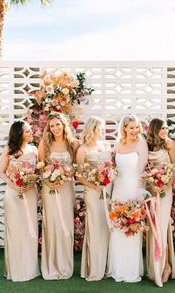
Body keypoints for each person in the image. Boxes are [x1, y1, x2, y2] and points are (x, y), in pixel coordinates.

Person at [107, 115, 148, 283]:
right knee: (117, 228)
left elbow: (142, 170)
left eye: (136, 127)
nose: (134, 130)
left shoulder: (141, 143)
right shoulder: (117, 145)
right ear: (124, 128)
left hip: (133, 190)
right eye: (131, 127)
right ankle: (118, 269)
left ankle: (131, 270)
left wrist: (139, 194)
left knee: (132, 227)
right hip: (118, 191)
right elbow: (112, 168)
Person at [38, 112, 79, 280]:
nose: (55, 128)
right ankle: (51, 265)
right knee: (52, 223)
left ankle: (65, 265)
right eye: (52, 125)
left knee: (65, 226)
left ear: (64, 125)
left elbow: (77, 167)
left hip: (66, 187)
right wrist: (48, 181)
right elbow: (40, 167)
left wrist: (66, 174)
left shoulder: (73, 144)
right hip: (50, 189)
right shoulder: (44, 143)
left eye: (58, 124)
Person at [0, 121, 40, 281]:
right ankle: (16, 270)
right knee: (16, 231)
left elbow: (37, 172)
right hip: (13, 194)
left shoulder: (34, 149)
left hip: (30, 193)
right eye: (28, 131)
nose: (31, 132)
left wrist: (29, 183)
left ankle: (29, 269)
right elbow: (1, 173)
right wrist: (15, 186)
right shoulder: (9, 150)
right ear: (19, 133)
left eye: (30, 130)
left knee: (30, 230)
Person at [76, 116, 111, 281]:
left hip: (107, 191)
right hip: (93, 191)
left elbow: (111, 167)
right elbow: (79, 176)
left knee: (107, 227)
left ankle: (106, 267)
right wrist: (94, 185)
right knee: (96, 227)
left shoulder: (105, 145)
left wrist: (108, 179)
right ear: (93, 129)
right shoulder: (82, 149)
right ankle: (94, 268)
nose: (102, 131)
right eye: (100, 128)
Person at [146, 118, 175, 287]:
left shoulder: (170, 144)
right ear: (154, 129)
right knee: (153, 226)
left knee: (162, 226)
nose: (166, 130)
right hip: (151, 190)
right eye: (162, 128)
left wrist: (165, 185)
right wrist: (152, 184)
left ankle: (165, 267)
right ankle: (154, 268)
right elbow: (144, 168)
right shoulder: (146, 144)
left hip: (165, 190)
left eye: (167, 128)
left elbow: (174, 168)